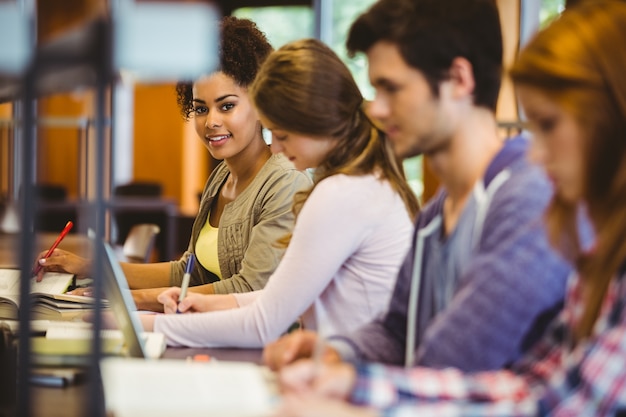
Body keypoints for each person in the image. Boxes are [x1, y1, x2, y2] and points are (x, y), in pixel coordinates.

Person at [274, 0, 626, 416]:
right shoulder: (434, 216)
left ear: (459, 79)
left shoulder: (530, 199)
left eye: (392, 88)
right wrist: (341, 361)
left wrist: (359, 399)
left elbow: (462, 366)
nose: (376, 108)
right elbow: (531, 388)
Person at [140, 38, 419, 348]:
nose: (278, 148)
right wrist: (210, 303)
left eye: (283, 135)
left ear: (318, 121)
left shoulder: (341, 194)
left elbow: (264, 325)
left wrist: (147, 324)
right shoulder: (360, 182)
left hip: (351, 375)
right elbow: (281, 299)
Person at [33, 16, 312, 311]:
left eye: (227, 106)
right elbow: (187, 273)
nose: (211, 122)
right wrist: (93, 268)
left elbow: (250, 289)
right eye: (201, 109)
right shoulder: (221, 178)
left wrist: (130, 298)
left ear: (259, 103)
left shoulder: (285, 181)